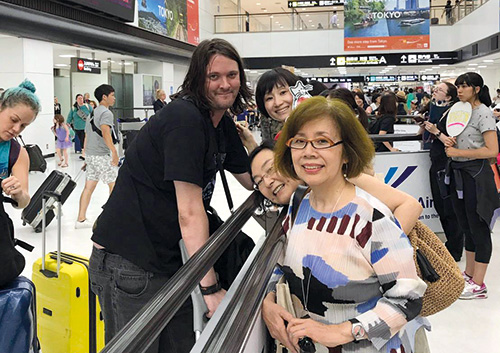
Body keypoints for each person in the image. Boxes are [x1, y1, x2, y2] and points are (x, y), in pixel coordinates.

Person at [88, 38, 254, 353]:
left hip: (169, 261)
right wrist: (210, 288)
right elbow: (189, 213)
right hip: (130, 262)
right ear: (197, 79)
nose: (224, 84)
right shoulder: (185, 120)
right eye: (213, 77)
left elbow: (251, 179)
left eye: (231, 75)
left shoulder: (220, 124)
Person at [264, 97, 428, 353]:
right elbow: (281, 264)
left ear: (346, 152)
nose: (308, 151)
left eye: (322, 141)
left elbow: (408, 298)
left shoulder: (372, 218)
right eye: (299, 141)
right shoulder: (299, 204)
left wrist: (343, 331)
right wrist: (269, 301)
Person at [249, 140, 422, 235]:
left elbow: (410, 206)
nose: (268, 182)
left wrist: (380, 254)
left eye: (270, 168)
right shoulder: (291, 214)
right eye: (259, 182)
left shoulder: (344, 180)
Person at [442, 72, 499, 299]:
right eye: (458, 86)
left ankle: (479, 283)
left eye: (464, 86)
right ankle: (469, 273)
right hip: (459, 174)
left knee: (479, 226)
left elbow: (492, 150)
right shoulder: (460, 111)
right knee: (466, 225)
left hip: (477, 175)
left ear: (476, 88)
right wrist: (449, 141)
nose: (460, 90)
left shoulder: (484, 113)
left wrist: (458, 152)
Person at [420, 82, 463, 261]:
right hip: (436, 162)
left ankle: (455, 248)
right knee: (441, 206)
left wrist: (436, 131)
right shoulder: (435, 109)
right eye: (435, 88)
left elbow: (451, 141)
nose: (435, 92)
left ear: (449, 96)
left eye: (439, 90)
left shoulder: (455, 113)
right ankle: (452, 245)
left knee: (449, 208)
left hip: (447, 165)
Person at [75, 84, 119, 228]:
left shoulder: (92, 113)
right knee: (114, 185)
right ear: (104, 97)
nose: (114, 98)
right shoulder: (106, 113)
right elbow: (106, 133)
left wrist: (86, 154)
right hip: (101, 155)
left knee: (89, 186)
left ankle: (80, 219)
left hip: (91, 155)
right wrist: (114, 151)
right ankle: (112, 219)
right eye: (112, 95)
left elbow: (87, 134)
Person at [0, 80, 40, 209]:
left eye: (23, 125)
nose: (17, 129)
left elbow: (23, 202)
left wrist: (18, 194)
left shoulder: (17, 152)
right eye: (14, 120)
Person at [255, 68, 299, 140]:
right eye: (269, 98)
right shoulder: (277, 137)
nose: (278, 103)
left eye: (283, 92)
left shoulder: (313, 128)